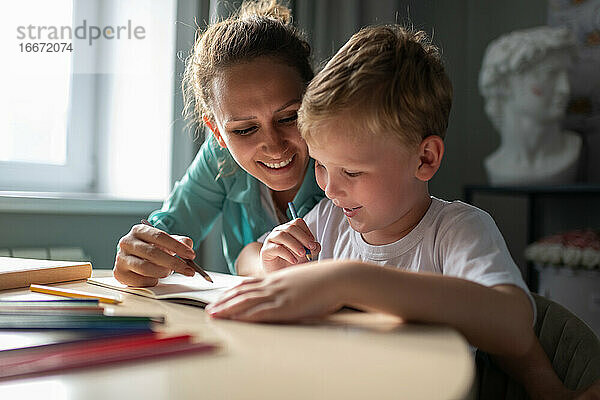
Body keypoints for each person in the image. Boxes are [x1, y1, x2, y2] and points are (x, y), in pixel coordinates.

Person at [206, 25, 596, 399]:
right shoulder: (330, 220)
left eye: (353, 171)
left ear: (425, 158)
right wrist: (270, 259)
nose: (329, 187)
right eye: (321, 165)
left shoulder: (457, 230)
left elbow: (512, 325)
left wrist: (347, 280)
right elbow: (246, 258)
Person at [112, 0, 324, 287]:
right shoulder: (220, 157)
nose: (274, 146)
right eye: (246, 129)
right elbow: (165, 233)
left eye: (288, 118)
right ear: (217, 132)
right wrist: (140, 254)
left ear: (314, 101)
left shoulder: (346, 157)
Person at [479, 26, 582, 185]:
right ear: (506, 85)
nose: (565, 89)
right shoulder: (496, 165)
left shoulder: (574, 150)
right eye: (550, 74)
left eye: (566, 76)